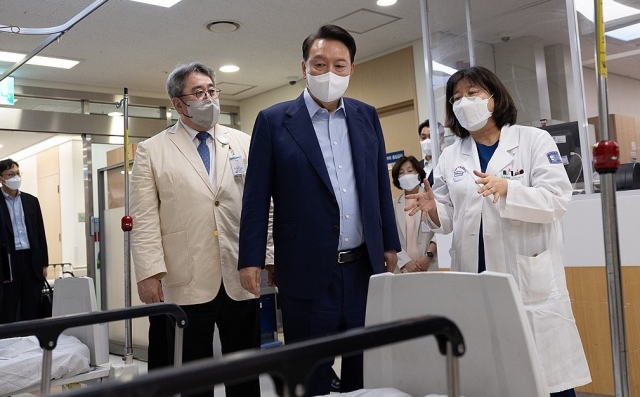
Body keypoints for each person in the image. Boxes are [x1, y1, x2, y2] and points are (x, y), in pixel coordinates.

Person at [405, 66, 591, 396]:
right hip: (474, 277)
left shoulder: (533, 140)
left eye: (472, 93)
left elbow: (557, 200)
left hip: (524, 276)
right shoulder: (450, 155)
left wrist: (509, 189)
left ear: (494, 98)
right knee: (492, 374)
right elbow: (448, 217)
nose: (464, 102)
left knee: (545, 374)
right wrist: (431, 208)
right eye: (456, 97)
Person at [238, 24, 400, 396]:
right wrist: (251, 258)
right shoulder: (274, 121)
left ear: (351, 69)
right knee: (309, 371)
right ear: (304, 66)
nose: (330, 73)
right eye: (320, 63)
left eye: (340, 65)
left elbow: (378, 183)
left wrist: (389, 243)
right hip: (305, 271)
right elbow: (256, 196)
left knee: (366, 366)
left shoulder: (366, 116)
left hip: (362, 269)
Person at [130, 62, 269, 397]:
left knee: (245, 367)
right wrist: (148, 273)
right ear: (179, 104)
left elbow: (265, 206)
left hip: (240, 271)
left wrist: (269, 256)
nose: (208, 98)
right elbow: (144, 218)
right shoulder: (153, 150)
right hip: (186, 277)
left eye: (211, 90)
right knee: (195, 373)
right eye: (198, 93)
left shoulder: (244, 143)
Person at [0, 159, 49, 323]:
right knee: (9, 307)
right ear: (1, 178)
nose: (16, 177)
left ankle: (33, 342)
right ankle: (10, 345)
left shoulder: (31, 201)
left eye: (17, 173)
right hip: (8, 261)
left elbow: (40, 233)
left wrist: (44, 263)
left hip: (31, 260)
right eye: (10, 174)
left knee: (32, 306)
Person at [391, 156, 437, 273]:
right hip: (403, 269)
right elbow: (391, 237)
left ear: (419, 174)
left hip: (429, 265)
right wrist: (406, 262)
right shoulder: (394, 205)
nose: (406, 175)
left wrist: (428, 256)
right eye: (401, 173)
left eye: (410, 171)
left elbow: (439, 231)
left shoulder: (432, 199)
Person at [418, 119, 435, 186]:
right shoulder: (417, 166)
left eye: (431, 137)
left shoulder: (445, 162)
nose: (427, 141)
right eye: (424, 138)